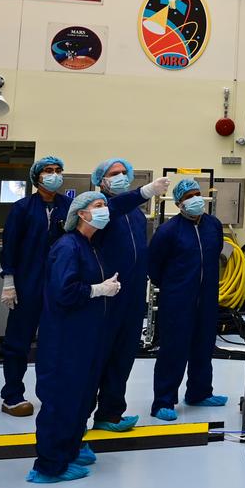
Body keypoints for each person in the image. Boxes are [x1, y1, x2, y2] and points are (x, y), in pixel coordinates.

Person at [29, 192, 122, 484]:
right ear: (81, 214)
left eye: (105, 205)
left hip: (86, 337)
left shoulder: (90, 246)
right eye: (98, 206)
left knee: (81, 397)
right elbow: (64, 292)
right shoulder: (67, 247)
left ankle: (68, 448)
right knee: (61, 399)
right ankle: (48, 466)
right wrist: (98, 290)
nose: (104, 210)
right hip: (64, 340)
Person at [87, 159, 170, 432]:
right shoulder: (99, 207)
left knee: (123, 355)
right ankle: (77, 422)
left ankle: (110, 413)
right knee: (98, 356)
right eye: (114, 174)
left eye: (124, 173)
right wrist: (145, 192)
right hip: (106, 292)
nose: (121, 177)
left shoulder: (134, 213)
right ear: (101, 179)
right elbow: (112, 209)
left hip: (133, 294)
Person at [149, 179, 227, 420]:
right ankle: (163, 401)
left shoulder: (213, 225)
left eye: (197, 194)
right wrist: (175, 287)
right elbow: (153, 266)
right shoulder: (168, 231)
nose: (195, 199)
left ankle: (199, 392)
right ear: (180, 203)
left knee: (203, 346)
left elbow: (216, 254)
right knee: (173, 349)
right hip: (177, 299)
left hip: (207, 298)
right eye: (188, 197)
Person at [0, 156, 69, 417]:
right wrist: (9, 280)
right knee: (18, 343)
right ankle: (12, 396)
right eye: (48, 171)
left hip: (57, 285)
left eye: (58, 170)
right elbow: (11, 246)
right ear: (37, 177)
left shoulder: (68, 206)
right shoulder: (23, 208)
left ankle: (52, 393)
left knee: (55, 343)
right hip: (27, 284)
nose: (54, 175)